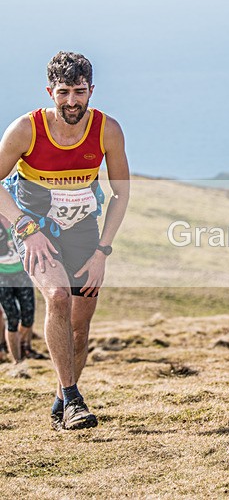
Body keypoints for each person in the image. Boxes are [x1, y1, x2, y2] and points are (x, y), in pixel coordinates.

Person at [0, 51, 130, 430]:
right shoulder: (26, 129)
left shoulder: (108, 130)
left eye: (79, 91)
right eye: (63, 92)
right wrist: (25, 227)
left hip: (83, 230)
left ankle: (61, 398)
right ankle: (74, 401)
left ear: (91, 90)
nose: (71, 101)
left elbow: (121, 194)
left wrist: (103, 251)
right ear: (49, 91)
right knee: (57, 296)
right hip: (35, 230)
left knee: (79, 322)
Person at [0, 215, 42, 364]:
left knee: (28, 316)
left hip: (22, 273)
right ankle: (17, 361)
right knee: (12, 318)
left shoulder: (18, 216)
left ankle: (25, 347)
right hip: (2, 276)